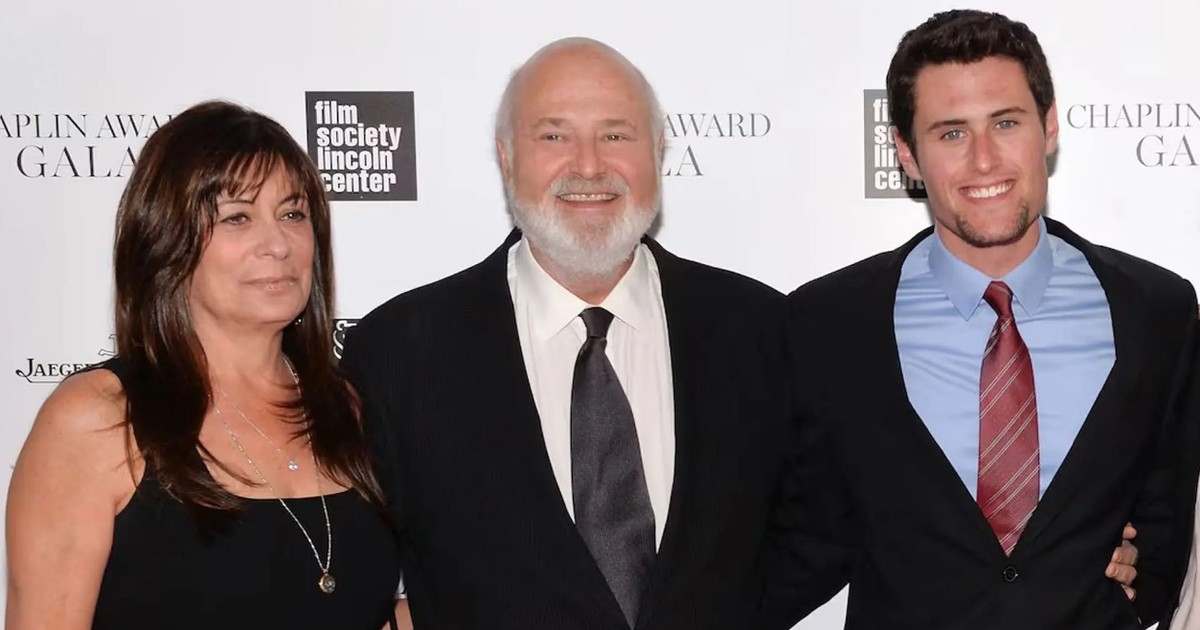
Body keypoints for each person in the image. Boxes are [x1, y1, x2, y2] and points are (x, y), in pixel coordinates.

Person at [759, 9, 1197, 629]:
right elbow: (802, 538)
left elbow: (1168, 517)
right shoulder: (828, 324)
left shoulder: (1157, 310)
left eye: (1006, 123)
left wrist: (1141, 574)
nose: (984, 160)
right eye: (951, 134)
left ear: (1049, 127)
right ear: (907, 154)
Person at [338, 37, 791, 630]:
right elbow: (354, 566)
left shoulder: (761, 330)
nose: (588, 166)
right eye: (553, 137)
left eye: (616, 135)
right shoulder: (397, 352)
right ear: (506, 159)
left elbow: (813, 531)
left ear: (657, 151)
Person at [5, 100, 408, 630]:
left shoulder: (353, 406)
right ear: (166, 240)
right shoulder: (98, 420)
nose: (278, 244)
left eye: (293, 214)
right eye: (237, 218)